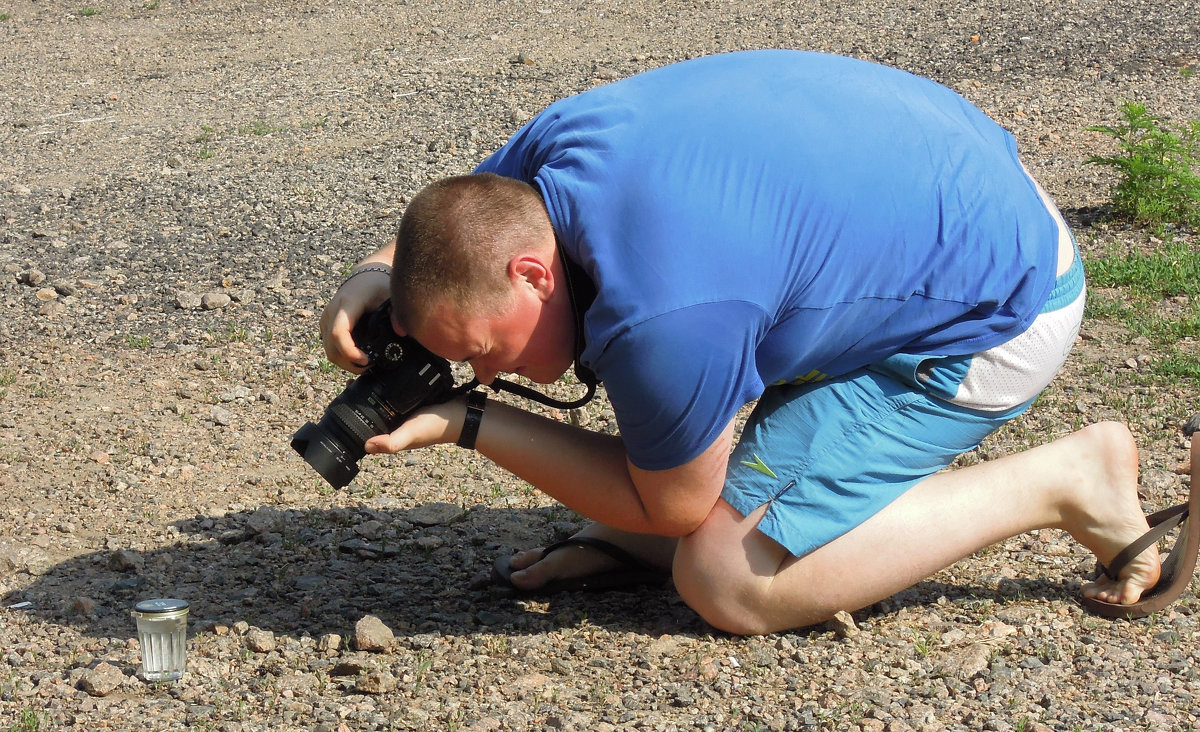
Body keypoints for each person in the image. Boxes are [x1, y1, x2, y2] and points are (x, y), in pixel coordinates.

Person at [319, 49, 1189, 635]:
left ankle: (1066, 480)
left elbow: (672, 504)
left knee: (722, 578)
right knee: (680, 487)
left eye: (482, 349)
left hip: (1001, 305)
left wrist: (467, 422)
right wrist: (373, 274)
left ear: (535, 276)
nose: (478, 368)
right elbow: (466, 216)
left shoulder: (664, 317)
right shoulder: (555, 160)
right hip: (952, 193)